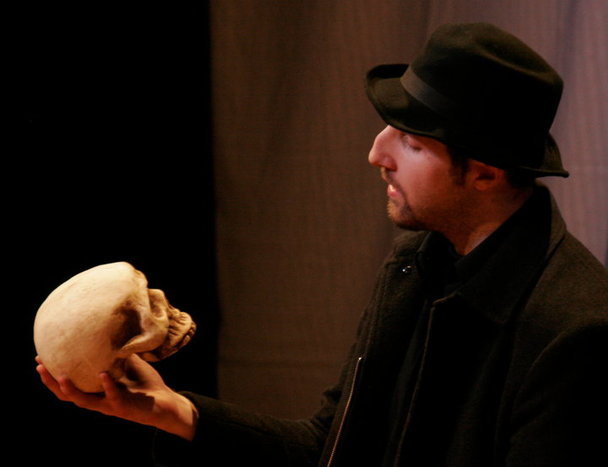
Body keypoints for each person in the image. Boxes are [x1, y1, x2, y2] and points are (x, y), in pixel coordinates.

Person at [36, 22, 608, 466]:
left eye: (411, 142)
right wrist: (173, 411)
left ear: (484, 173)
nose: (377, 153)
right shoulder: (414, 265)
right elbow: (331, 447)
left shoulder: (576, 331)